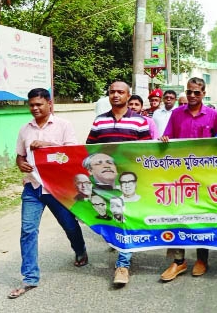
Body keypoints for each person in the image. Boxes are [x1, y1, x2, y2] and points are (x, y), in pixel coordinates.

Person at [8, 88, 87, 299]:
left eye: (38, 104)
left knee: (69, 225)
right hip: (32, 187)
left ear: (49, 104)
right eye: (31, 105)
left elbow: (72, 156)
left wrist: (48, 145)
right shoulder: (25, 129)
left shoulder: (64, 126)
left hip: (57, 188)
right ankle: (30, 278)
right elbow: (19, 156)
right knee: (28, 230)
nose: (34, 108)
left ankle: (80, 249)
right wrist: (21, 164)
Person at [86, 81, 151, 285]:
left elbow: (146, 151)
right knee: (113, 218)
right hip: (105, 183)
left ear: (128, 95)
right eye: (112, 92)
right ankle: (120, 246)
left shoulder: (140, 122)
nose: (116, 95)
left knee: (125, 218)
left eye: (120, 92)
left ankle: (122, 265)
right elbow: (89, 148)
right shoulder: (99, 121)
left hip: (129, 181)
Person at [159, 77, 217, 281]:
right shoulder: (177, 114)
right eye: (189, 92)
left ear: (203, 94)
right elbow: (167, 137)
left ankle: (202, 259)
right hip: (179, 177)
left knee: (203, 218)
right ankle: (178, 262)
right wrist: (164, 140)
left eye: (197, 92)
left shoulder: (212, 115)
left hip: (204, 178)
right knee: (177, 217)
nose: (193, 96)